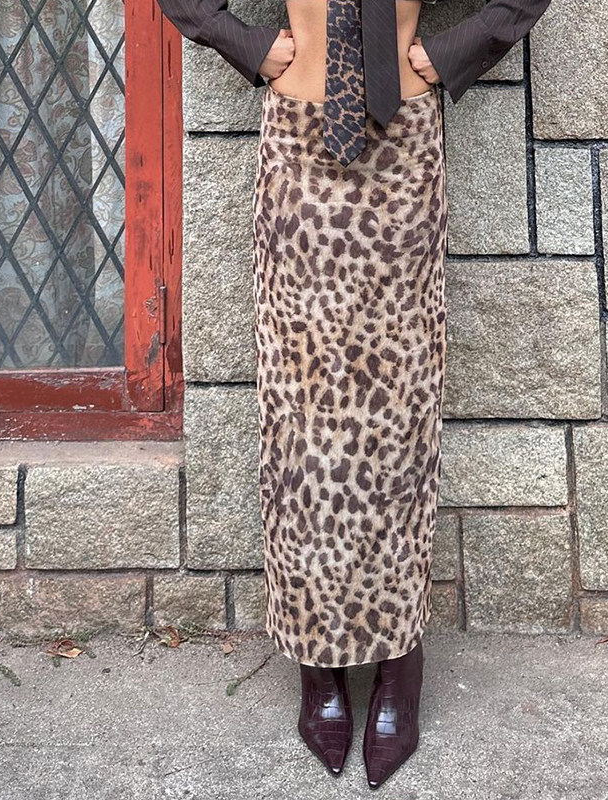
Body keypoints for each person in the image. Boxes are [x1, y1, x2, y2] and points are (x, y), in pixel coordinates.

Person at [155, 0, 552, 789]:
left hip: (402, 150)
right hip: (296, 152)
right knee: (300, 413)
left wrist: (451, 52)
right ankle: (319, 662)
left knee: (399, 411)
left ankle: (400, 660)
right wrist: (244, 43)